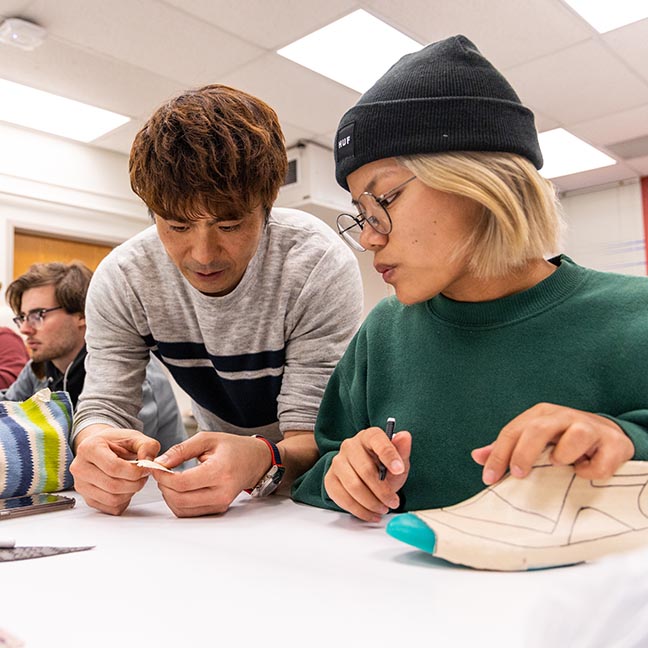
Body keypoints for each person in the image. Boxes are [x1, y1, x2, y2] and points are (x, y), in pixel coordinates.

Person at [291, 35, 648, 522]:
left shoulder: (635, 317)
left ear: (480, 182)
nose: (369, 237)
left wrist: (626, 441)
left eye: (385, 199)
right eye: (359, 213)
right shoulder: (383, 334)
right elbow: (322, 466)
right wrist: (344, 476)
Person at [70, 84, 363, 517]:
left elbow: (313, 435)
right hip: (215, 479)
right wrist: (95, 444)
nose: (203, 255)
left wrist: (262, 457)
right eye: (177, 227)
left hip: (309, 494)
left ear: (267, 206)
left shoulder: (316, 263)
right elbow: (104, 405)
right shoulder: (125, 278)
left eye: (229, 226)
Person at [1, 262, 186, 454]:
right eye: (22, 317)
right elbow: (6, 405)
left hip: (156, 481)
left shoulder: (130, 371)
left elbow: (115, 453)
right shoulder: (38, 368)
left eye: (38, 315)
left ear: (83, 315)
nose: (24, 329)